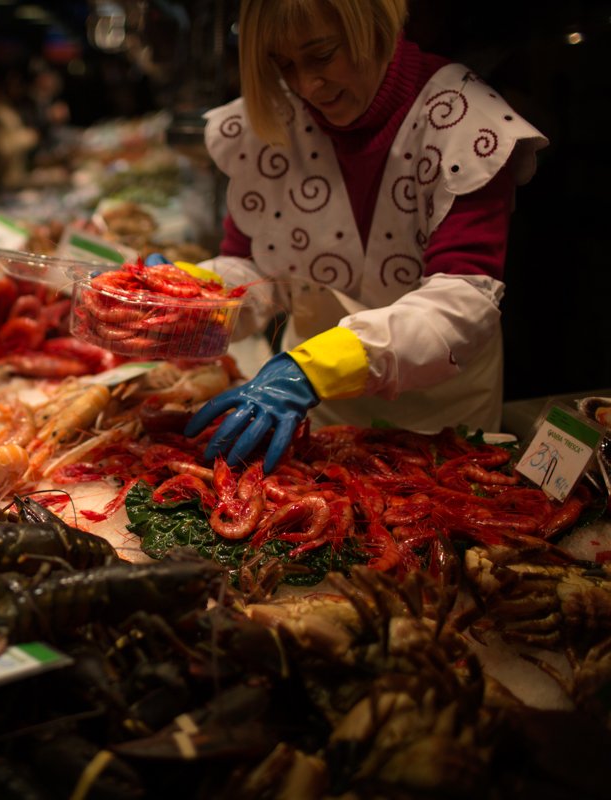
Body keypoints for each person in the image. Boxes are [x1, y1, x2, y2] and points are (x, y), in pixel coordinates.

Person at [184, 0, 546, 471]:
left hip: (441, 420)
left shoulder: (466, 122)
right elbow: (254, 268)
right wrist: (185, 297)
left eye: (322, 55)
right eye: (283, 64)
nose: (305, 85)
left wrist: (320, 366)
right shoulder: (274, 118)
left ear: (375, 25)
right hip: (313, 416)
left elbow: (464, 298)